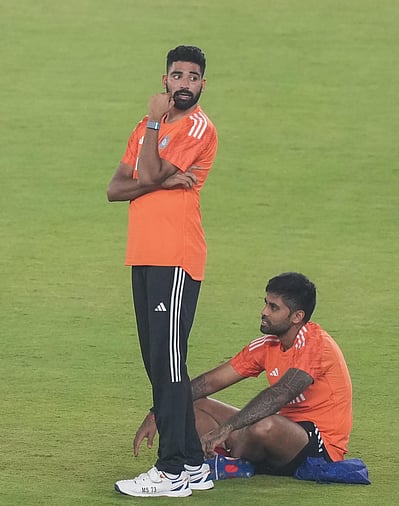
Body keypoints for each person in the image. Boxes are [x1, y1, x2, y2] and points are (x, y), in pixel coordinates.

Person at [107, 45, 219, 498]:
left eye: (193, 77)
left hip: (175, 257)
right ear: (165, 79)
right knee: (159, 362)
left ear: (203, 85)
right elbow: (115, 189)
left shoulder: (196, 127)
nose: (185, 84)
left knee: (169, 365)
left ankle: (171, 471)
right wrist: (154, 179)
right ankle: (193, 463)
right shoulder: (143, 127)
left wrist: (154, 128)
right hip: (145, 255)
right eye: (178, 75)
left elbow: (147, 171)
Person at [131, 272, 354, 480]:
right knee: (191, 401)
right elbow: (209, 382)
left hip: (319, 445)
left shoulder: (316, 345)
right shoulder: (268, 345)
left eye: (273, 307)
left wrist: (226, 429)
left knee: (264, 425)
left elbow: (281, 394)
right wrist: (158, 411)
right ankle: (223, 461)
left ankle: (225, 459)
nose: (264, 311)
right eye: (265, 303)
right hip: (278, 433)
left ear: (297, 317)